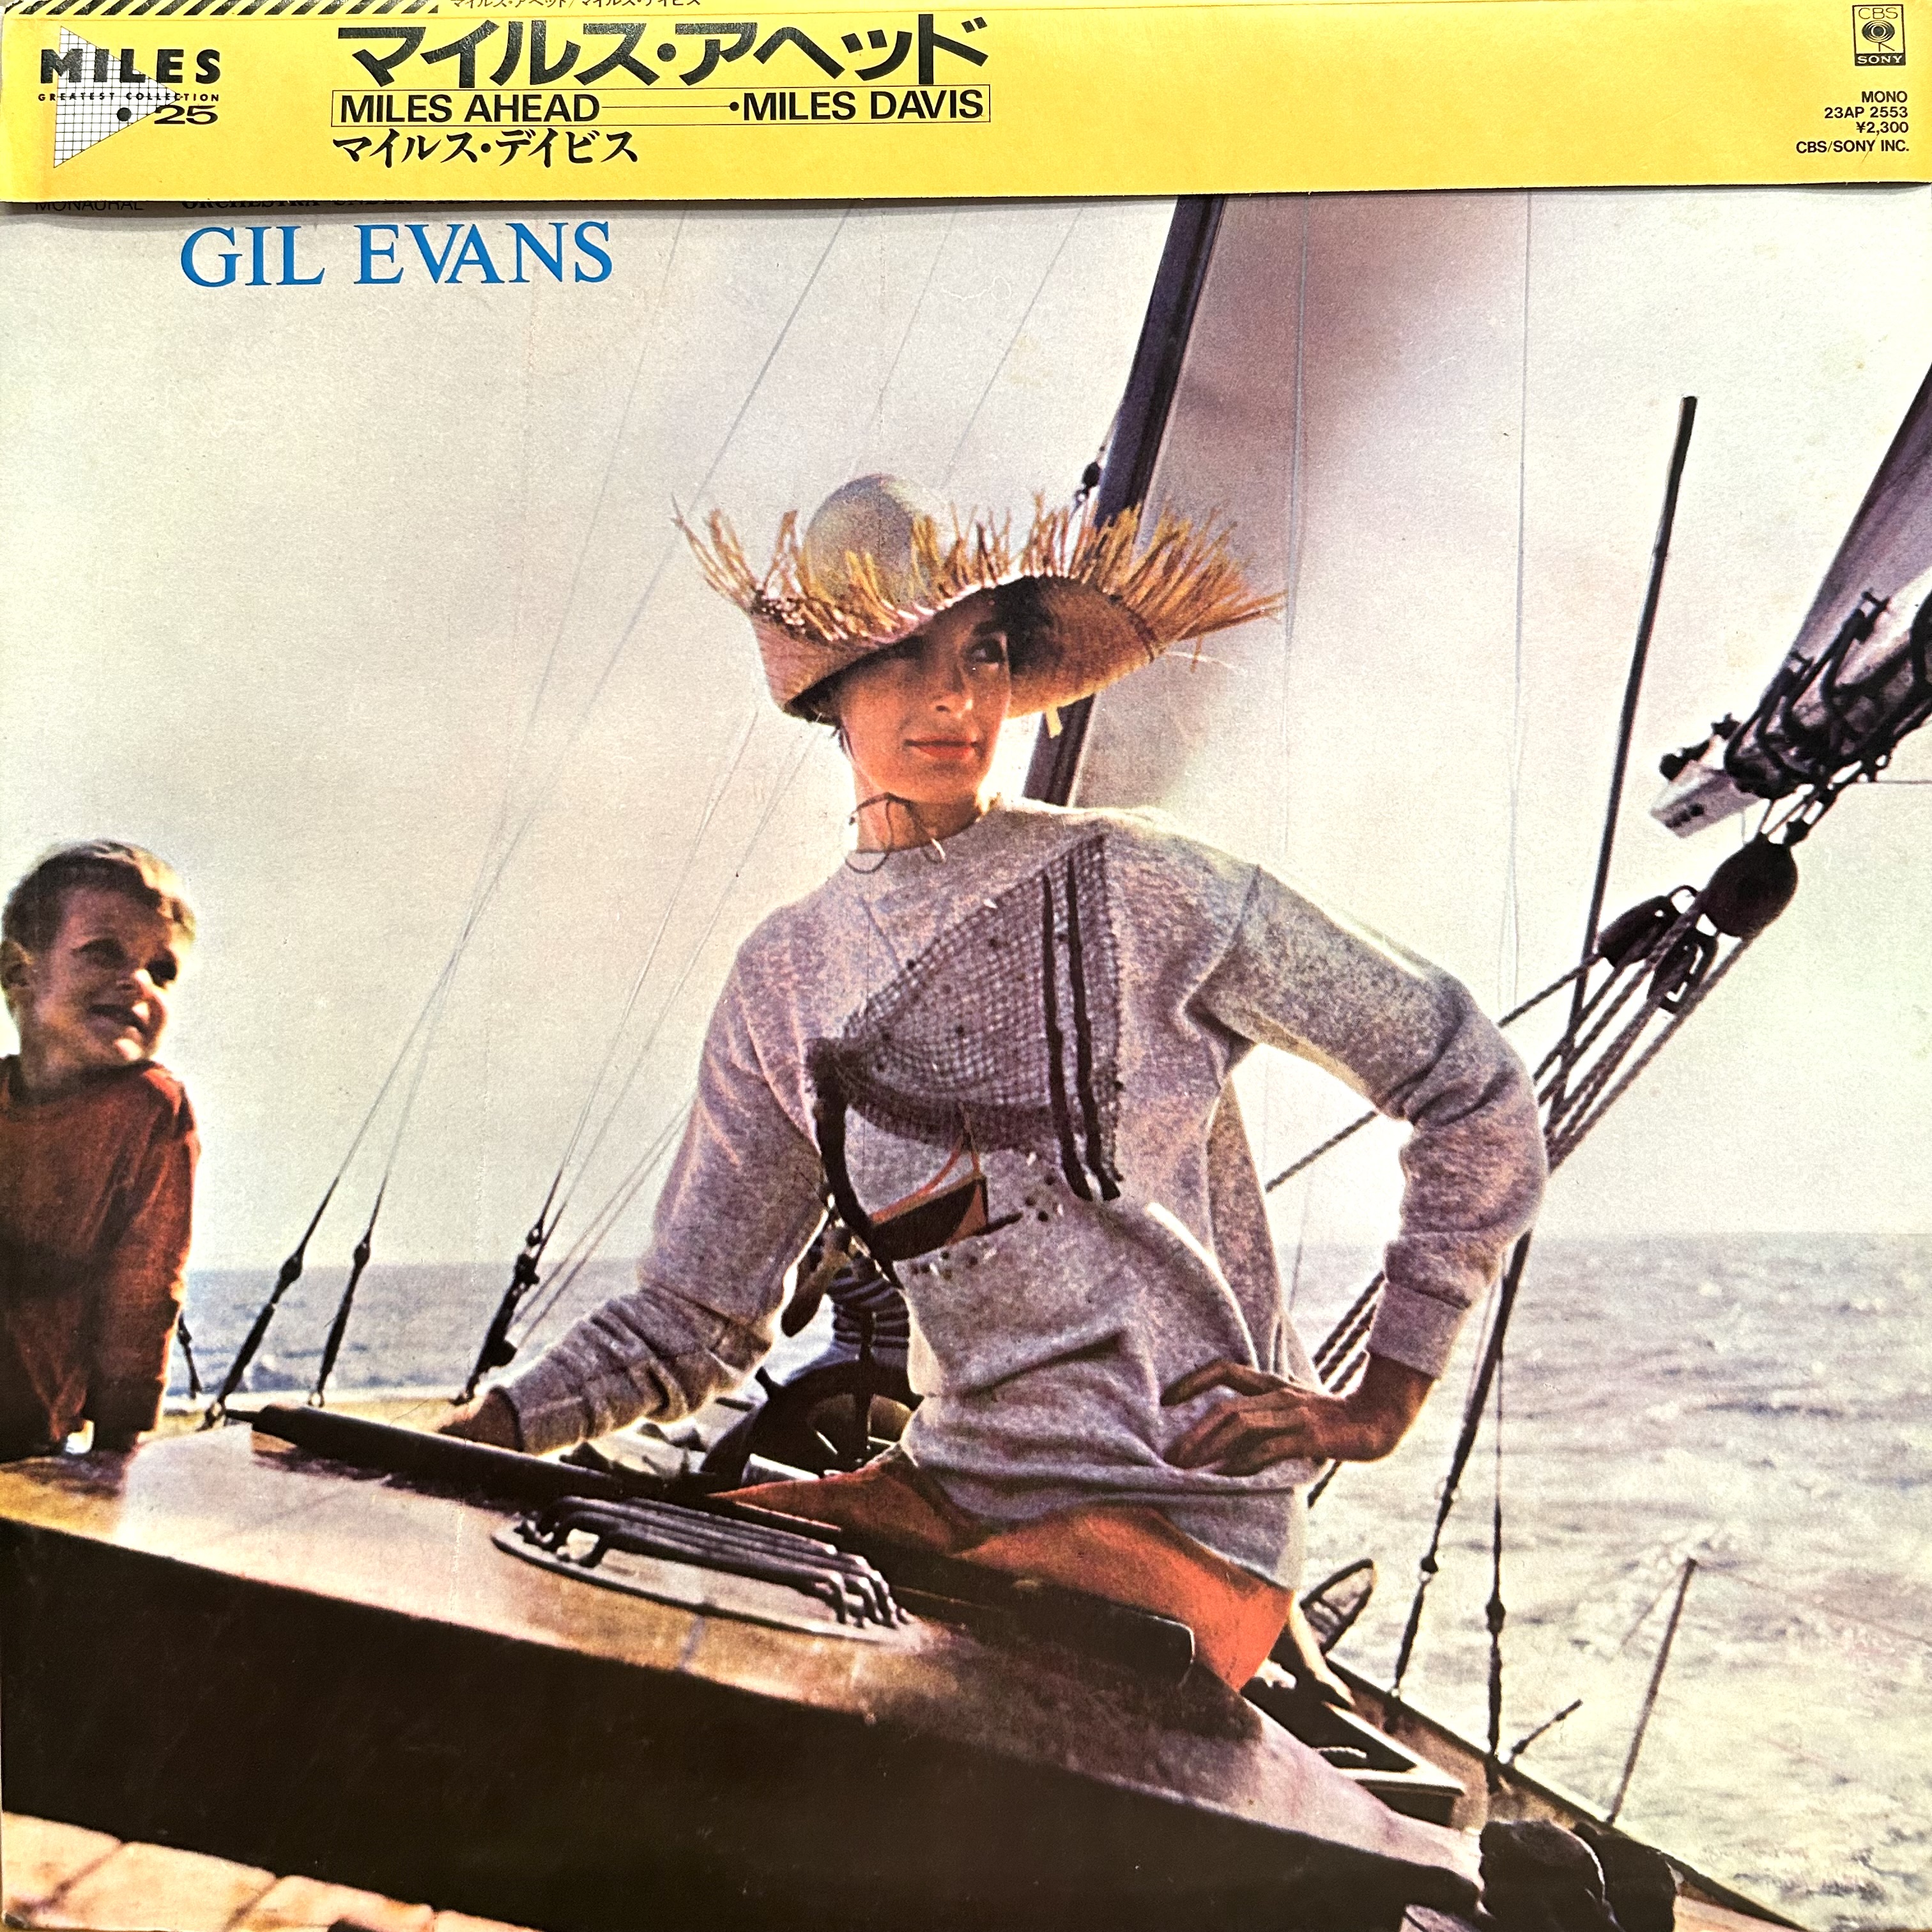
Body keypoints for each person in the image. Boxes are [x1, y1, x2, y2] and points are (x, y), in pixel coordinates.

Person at [446, 476, 1546, 1690]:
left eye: (981, 653)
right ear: (827, 684)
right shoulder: (785, 975)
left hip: (1182, 1526)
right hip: (946, 1491)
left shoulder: (1143, 880)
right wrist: (488, 1430)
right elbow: (692, 1317)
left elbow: (1471, 1083)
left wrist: (1379, 1403)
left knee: (882, 1701)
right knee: (624, 1591)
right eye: (903, 656)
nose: (955, 697)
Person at [0, 841, 199, 1459]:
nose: (138, 982)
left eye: (161, 970)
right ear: (20, 974)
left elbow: (145, 1292)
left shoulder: (149, 1113)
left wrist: (114, 1454)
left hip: (23, 1444)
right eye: (103, 952)